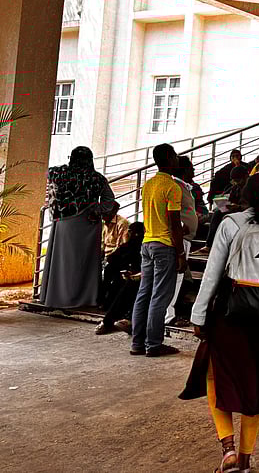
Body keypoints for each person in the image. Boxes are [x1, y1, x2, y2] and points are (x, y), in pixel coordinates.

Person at [180, 172, 259, 473]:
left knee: (216, 376)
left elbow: (212, 273)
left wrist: (198, 315)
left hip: (229, 316)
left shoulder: (230, 224)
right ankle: (246, 458)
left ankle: (228, 450)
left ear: (244, 195)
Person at [41, 146, 117, 309]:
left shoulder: (58, 173)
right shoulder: (96, 178)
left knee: (62, 260)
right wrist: (97, 210)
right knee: (84, 262)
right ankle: (85, 297)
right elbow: (109, 199)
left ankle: (56, 297)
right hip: (87, 223)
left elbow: (48, 174)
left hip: (62, 223)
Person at [130, 143, 186, 357]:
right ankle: (153, 344)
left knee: (144, 294)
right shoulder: (172, 188)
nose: (177, 159)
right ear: (170, 158)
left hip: (147, 242)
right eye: (175, 156)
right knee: (160, 297)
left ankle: (137, 343)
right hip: (165, 246)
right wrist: (181, 253)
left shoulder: (149, 184)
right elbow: (173, 223)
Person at [165, 157, 201, 326]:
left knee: (183, 279)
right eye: (191, 167)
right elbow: (171, 213)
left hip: (185, 238)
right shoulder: (176, 187)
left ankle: (172, 313)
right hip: (180, 239)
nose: (193, 171)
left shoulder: (184, 187)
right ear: (185, 170)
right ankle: (168, 316)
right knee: (176, 279)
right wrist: (182, 227)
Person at [95, 222, 145, 335]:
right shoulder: (129, 246)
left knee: (130, 286)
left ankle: (125, 319)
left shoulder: (141, 246)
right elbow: (113, 259)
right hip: (128, 275)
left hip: (142, 275)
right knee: (120, 283)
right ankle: (110, 320)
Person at [206, 166, 250, 250]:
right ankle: (209, 244)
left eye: (238, 180)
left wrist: (239, 207)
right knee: (218, 213)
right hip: (237, 211)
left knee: (219, 215)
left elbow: (253, 205)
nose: (236, 183)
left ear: (245, 177)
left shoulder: (252, 187)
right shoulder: (236, 187)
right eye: (235, 181)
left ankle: (212, 245)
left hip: (247, 212)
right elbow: (232, 199)